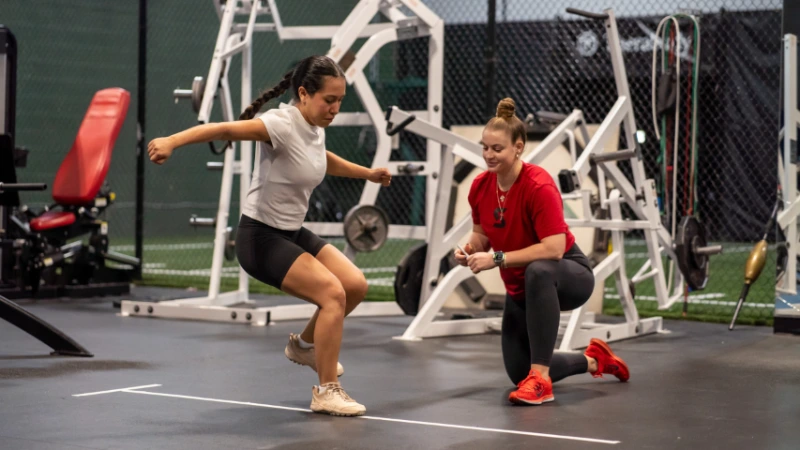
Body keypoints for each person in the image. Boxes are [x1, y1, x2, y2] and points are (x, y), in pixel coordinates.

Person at [147, 55, 391, 417]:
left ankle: (304, 346)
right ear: (304, 94)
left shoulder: (313, 125)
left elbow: (320, 158)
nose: (336, 108)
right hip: (260, 238)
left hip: (290, 232)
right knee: (332, 294)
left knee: (354, 285)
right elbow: (223, 130)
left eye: (341, 100)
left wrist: (367, 173)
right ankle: (326, 391)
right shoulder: (280, 123)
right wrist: (171, 141)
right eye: (330, 100)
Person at [454, 98, 630, 405]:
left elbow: (554, 249)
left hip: (567, 276)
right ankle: (594, 361)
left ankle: (541, 382)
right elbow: (481, 234)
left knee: (539, 270)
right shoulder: (481, 186)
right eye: (485, 147)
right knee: (519, 372)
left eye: (497, 149)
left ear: (518, 148)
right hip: (522, 285)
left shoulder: (538, 185)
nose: (488, 155)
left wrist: (496, 259)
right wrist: (469, 249)